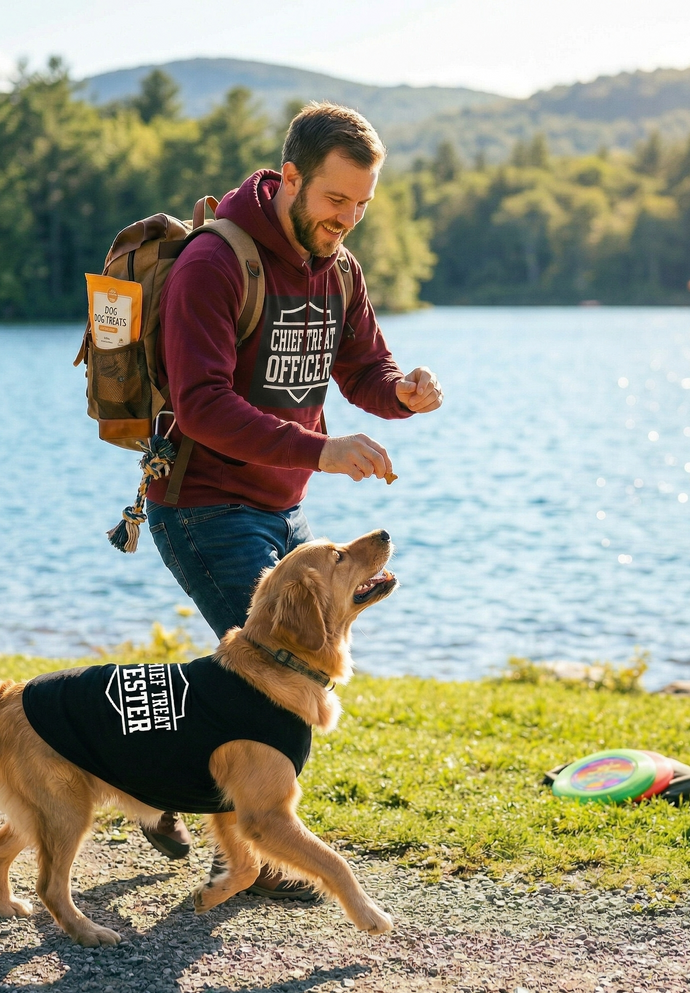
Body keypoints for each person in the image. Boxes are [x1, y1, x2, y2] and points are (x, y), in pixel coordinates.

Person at [140, 102, 443, 897]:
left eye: (362, 206)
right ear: (291, 178)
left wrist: (400, 394)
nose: (347, 219)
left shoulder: (338, 267)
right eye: (335, 200)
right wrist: (323, 450)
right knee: (266, 679)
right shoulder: (216, 262)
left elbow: (362, 370)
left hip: (282, 508)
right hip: (202, 505)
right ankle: (249, 854)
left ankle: (156, 783)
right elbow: (202, 405)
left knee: (248, 672)